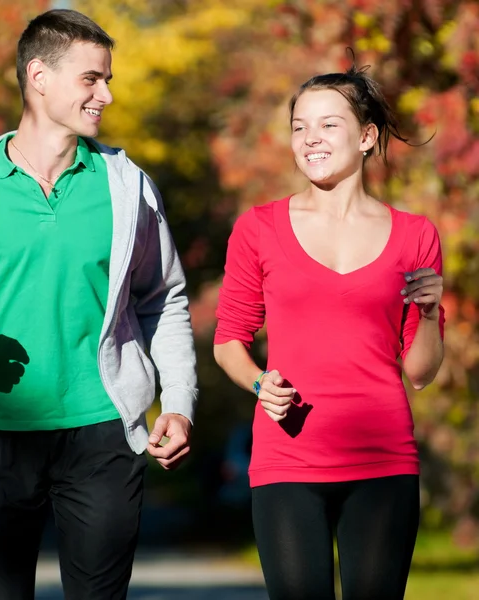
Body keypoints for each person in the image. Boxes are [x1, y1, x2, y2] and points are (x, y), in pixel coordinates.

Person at [0, 9, 197, 600]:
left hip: (105, 431)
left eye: (107, 79)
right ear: (39, 76)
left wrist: (180, 402)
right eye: (91, 79)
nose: (106, 94)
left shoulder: (127, 186)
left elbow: (165, 298)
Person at [213, 59, 445, 600]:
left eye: (327, 125)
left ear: (366, 137)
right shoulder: (259, 228)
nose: (310, 138)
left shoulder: (416, 236)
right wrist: (257, 384)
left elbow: (420, 372)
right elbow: (230, 340)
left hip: (382, 458)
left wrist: (431, 315)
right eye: (299, 127)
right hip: (287, 457)